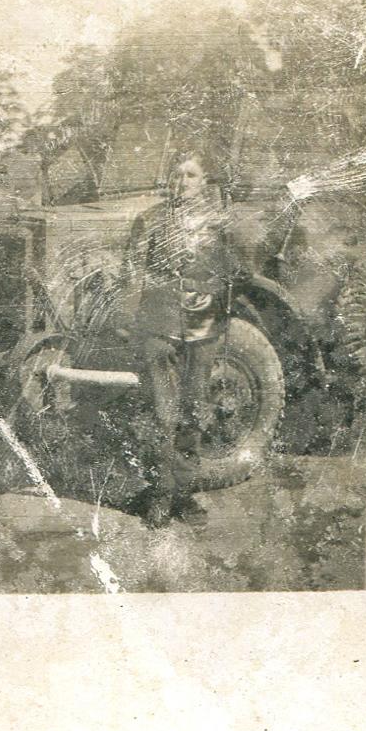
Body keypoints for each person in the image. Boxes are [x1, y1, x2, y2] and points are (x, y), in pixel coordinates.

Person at [121, 150, 244, 529]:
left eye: (190, 175)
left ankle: (185, 494)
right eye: (176, 175)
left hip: (203, 325)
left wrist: (214, 289)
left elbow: (240, 270)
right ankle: (160, 494)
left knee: (194, 410)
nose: (182, 182)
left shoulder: (220, 223)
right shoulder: (149, 220)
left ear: (204, 181)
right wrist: (132, 319)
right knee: (161, 413)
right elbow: (131, 274)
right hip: (159, 325)